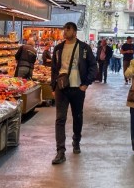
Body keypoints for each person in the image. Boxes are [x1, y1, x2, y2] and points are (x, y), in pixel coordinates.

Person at [51, 22, 97, 165]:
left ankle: (76, 141)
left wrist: (86, 83)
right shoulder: (58, 49)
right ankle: (60, 151)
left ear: (75, 32)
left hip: (78, 88)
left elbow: (93, 66)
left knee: (77, 117)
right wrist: (53, 87)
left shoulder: (84, 48)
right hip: (61, 88)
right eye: (64, 29)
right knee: (60, 119)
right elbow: (54, 68)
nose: (65, 31)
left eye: (68, 29)